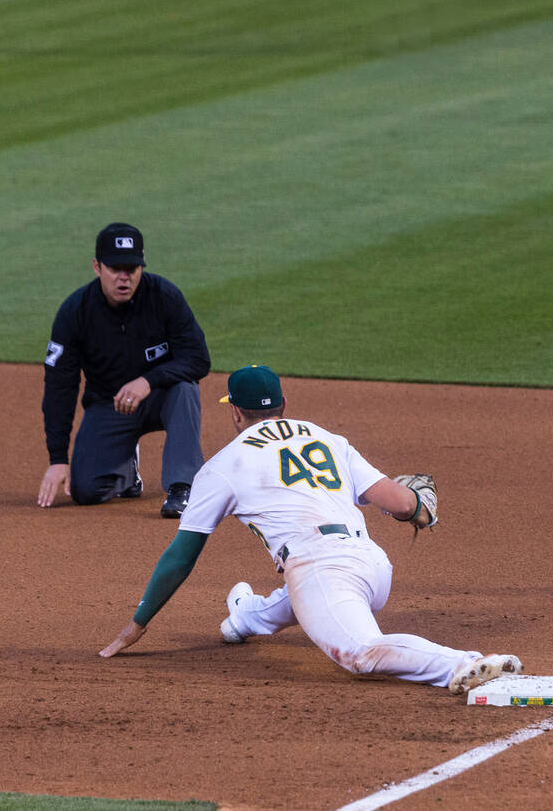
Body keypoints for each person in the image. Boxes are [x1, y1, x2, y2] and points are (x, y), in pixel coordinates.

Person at [99, 364, 523, 695]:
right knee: (311, 591)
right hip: (373, 568)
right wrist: (417, 508)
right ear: (283, 403)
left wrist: (139, 622)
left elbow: (181, 555)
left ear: (235, 412)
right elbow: (400, 502)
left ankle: (462, 664)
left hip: (321, 567)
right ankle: (245, 617)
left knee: (358, 653)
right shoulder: (327, 438)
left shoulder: (225, 464)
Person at [37, 222, 211, 518]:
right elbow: (59, 385)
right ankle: (126, 473)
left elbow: (198, 359)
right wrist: (57, 458)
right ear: (97, 267)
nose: (124, 277)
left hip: (161, 397)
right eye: (115, 268)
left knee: (184, 387)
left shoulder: (164, 296)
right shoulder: (75, 311)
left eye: (131, 268)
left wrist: (149, 380)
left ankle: (183, 488)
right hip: (109, 404)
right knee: (85, 492)